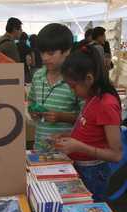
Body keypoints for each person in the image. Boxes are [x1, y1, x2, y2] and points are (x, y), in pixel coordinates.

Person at [54, 45, 122, 202]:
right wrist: (68, 137)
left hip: (93, 173)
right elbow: (89, 129)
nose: (72, 91)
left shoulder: (106, 104)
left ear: (89, 79)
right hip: (81, 167)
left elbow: (116, 155)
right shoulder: (92, 97)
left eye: (73, 86)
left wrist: (78, 146)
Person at [28, 23, 82, 151]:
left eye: (51, 53)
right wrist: (32, 110)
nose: (45, 58)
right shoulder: (38, 75)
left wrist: (61, 117)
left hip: (67, 152)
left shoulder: (76, 80)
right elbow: (31, 101)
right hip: (40, 148)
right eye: (42, 53)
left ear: (67, 51)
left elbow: (86, 118)